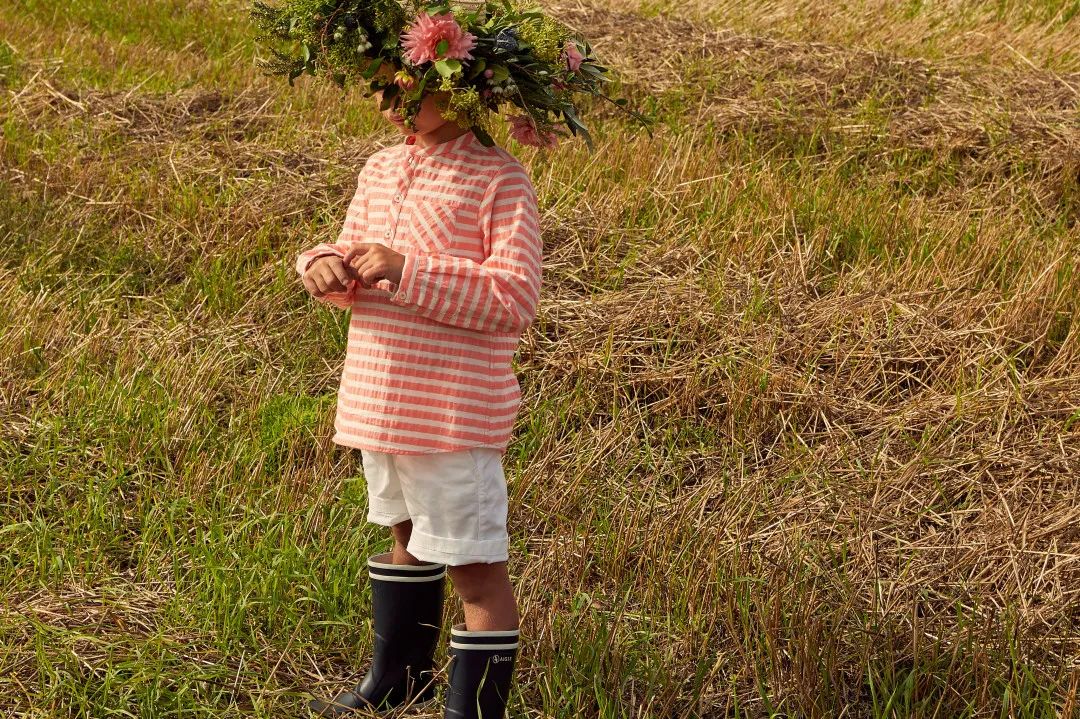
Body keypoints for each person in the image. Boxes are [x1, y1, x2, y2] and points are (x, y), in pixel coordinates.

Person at [296, 63, 541, 718]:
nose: (390, 102)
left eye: (408, 87)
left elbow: (514, 297)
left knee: (475, 567)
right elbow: (352, 254)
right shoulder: (379, 168)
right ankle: (400, 679)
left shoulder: (499, 176)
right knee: (406, 534)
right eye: (380, 87)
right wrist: (323, 264)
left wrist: (411, 270)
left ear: (466, 86)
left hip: (451, 413)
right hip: (379, 400)